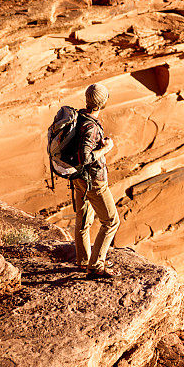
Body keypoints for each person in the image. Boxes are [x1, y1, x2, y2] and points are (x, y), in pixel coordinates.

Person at [73, 83, 120, 278]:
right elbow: (85, 157)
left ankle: (84, 261)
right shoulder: (91, 126)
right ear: (103, 102)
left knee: (84, 220)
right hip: (94, 182)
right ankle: (95, 266)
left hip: (79, 179)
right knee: (111, 222)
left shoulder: (80, 116)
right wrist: (106, 148)